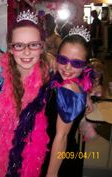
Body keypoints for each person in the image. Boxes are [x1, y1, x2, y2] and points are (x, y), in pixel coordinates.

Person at [0, 9, 50, 177]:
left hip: (38, 164)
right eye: (19, 45)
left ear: (42, 47)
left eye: (33, 44)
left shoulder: (52, 83)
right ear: (10, 48)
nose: (26, 52)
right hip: (4, 162)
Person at [45, 26, 94, 177]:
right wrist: (47, 54)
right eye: (62, 59)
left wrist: (51, 174)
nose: (67, 67)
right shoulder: (75, 80)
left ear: (85, 66)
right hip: (65, 153)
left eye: (76, 63)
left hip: (57, 160)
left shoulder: (68, 88)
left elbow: (61, 137)